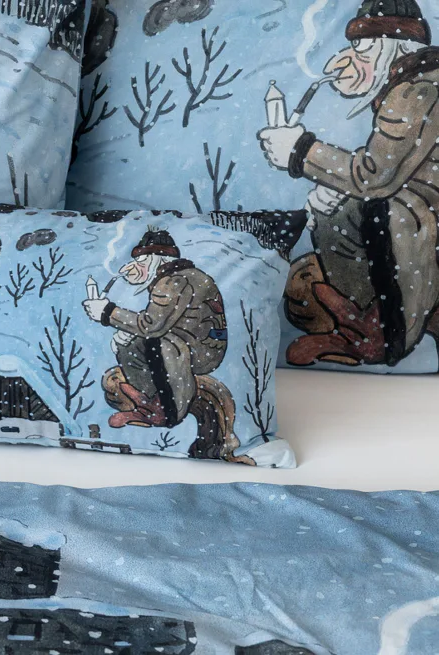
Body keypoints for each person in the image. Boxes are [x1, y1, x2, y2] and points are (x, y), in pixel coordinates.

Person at [258, 0, 439, 367]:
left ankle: (374, 329)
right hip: (421, 207)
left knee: (337, 214)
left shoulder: (415, 91)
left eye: (360, 45)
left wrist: (299, 151)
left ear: (388, 44)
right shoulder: (420, 80)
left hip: (422, 220)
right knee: (336, 203)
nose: (348, 58)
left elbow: (373, 176)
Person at [82, 230, 228, 429]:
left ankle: (163, 409)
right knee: (128, 341)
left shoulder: (173, 281)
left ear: (156, 259)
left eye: (142, 261)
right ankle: (150, 399)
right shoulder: (183, 276)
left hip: (196, 350)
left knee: (142, 346)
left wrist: (107, 312)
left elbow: (151, 325)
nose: (135, 266)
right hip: (200, 342)